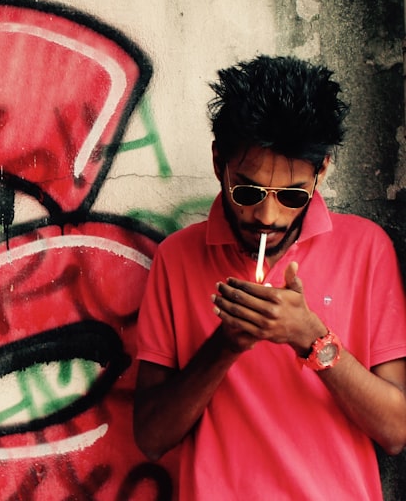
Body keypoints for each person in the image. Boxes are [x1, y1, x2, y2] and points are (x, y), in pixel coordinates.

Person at [133, 55, 406, 500]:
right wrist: (225, 345)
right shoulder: (176, 258)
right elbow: (151, 436)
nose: (268, 215)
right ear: (219, 160)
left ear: (322, 170)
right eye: (248, 191)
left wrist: (312, 338)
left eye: (293, 194)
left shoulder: (366, 249)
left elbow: (395, 431)